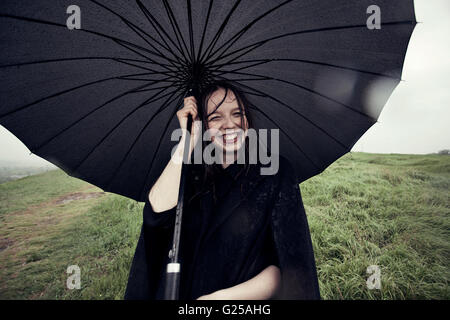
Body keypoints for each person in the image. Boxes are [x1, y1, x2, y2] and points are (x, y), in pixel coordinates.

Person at [124, 81, 320, 300]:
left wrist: (218, 300)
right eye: (216, 117)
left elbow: (287, 266)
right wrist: (187, 141)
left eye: (237, 113)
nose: (229, 124)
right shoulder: (189, 172)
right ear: (204, 125)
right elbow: (156, 217)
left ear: (247, 120)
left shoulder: (275, 172)